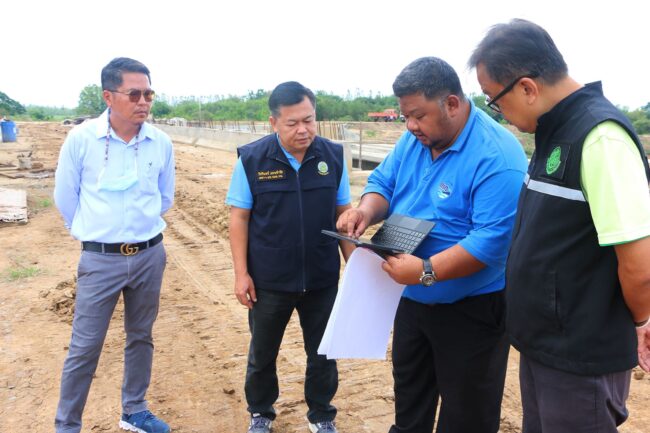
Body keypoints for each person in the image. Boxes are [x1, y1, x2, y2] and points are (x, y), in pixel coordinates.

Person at [469, 18, 650, 432]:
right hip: (546, 345)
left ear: (527, 88)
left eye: (495, 100)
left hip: (580, 355)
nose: (499, 113)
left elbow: (639, 264)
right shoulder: (553, 132)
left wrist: (642, 321)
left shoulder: (600, 138)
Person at [337, 57, 528, 433]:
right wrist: (364, 211)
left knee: (467, 416)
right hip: (411, 299)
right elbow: (383, 183)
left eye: (418, 115)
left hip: (471, 310)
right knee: (410, 401)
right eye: (405, 115)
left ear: (452, 104)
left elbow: (491, 241)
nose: (410, 126)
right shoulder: (414, 140)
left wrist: (426, 270)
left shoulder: (498, 156)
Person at [53, 57, 175, 433]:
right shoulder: (82, 140)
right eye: (134, 94)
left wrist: (139, 232)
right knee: (85, 346)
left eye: (149, 94)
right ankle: (67, 425)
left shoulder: (159, 142)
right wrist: (94, 234)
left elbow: (164, 197)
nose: (143, 102)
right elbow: (66, 197)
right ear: (108, 96)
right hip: (100, 259)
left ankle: (134, 410)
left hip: (149, 255)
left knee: (141, 336)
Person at [226, 81, 354, 433]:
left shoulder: (332, 156)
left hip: (321, 277)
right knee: (263, 353)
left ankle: (322, 415)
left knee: (324, 352)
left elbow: (344, 213)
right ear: (273, 122)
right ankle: (261, 412)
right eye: (292, 123)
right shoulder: (252, 159)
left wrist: (356, 268)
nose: (303, 130)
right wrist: (241, 274)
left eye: (309, 120)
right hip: (269, 280)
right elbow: (239, 219)